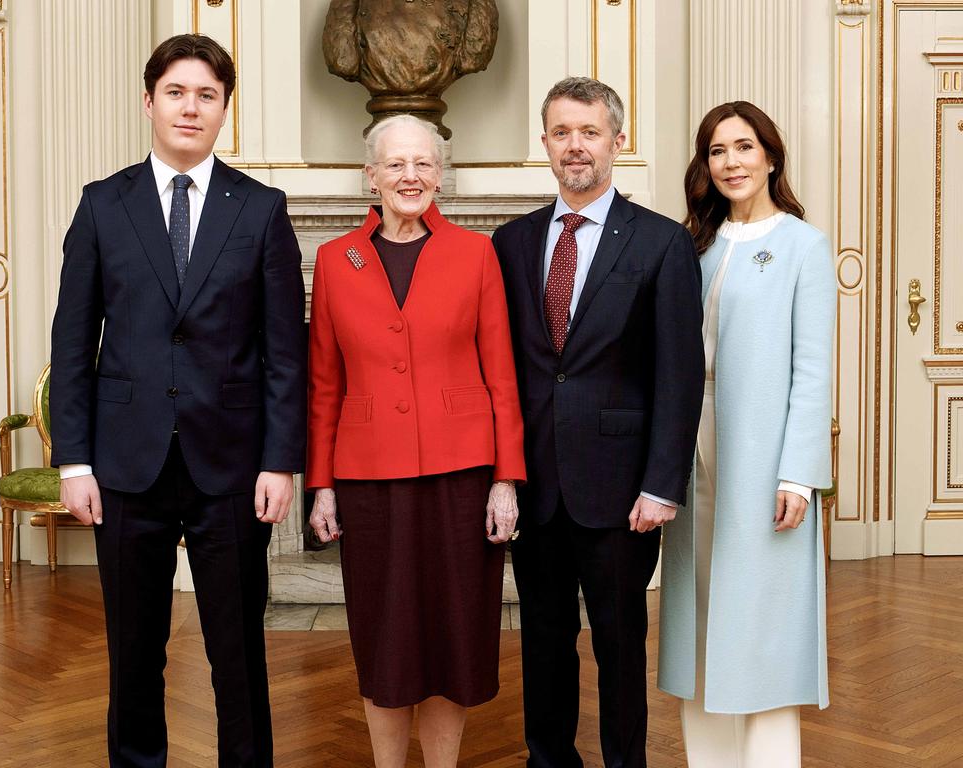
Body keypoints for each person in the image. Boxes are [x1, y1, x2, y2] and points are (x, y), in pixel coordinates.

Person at [49, 34, 306, 767]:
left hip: (231, 464)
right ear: (148, 100)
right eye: (176, 92)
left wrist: (279, 461)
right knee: (134, 651)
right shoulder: (103, 205)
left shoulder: (260, 210)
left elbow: (285, 351)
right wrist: (73, 460)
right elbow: (73, 343)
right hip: (124, 465)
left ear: (225, 108)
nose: (191, 108)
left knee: (238, 651)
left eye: (207, 95)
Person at [491, 77, 704, 768]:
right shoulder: (511, 243)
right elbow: (504, 370)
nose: (574, 146)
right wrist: (504, 473)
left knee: (618, 644)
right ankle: (548, 759)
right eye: (561, 132)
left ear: (618, 140)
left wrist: (662, 483)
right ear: (545, 144)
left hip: (621, 491)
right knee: (543, 641)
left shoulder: (662, 243)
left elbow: (679, 375)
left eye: (588, 132)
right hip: (537, 484)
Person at [305, 113, 526, 768]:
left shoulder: (475, 253)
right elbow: (322, 384)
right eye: (396, 164)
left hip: (463, 476)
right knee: (384, 637)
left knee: (453, 638)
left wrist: (506, 478)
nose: (410, 176)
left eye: (424, 164)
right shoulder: (335, 257)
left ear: (441, 175)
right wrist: (318, 485)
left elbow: (502, 375)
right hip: (369, 479)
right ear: (370, 176)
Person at [657, 101, 836, 768]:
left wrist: (799, 474)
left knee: (762, 632)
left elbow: (813, 369)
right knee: (697, 631)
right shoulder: (689, 247)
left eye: (743, 147)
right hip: (691, 463)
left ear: (770, 156)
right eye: (716, 151)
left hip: (764, 472)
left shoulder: (802, 245)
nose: (730, 162)